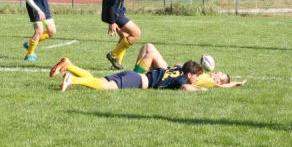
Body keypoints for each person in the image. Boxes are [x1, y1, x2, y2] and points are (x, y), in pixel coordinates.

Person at [101, 0, 149, 69]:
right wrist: (112, 22)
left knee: (124, 37)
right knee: (136, 34)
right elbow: (113, 3)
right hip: (115, 13)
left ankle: (116, 64)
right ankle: (113, 55)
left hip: (114, 11)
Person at [49, 58, 204, 91]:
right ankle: (72, 79)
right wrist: (200, 90)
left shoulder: (177, 69)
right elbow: (185, 88)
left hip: (132, 74)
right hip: (137, 80)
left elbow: (178, 64)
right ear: (189, 75)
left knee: (97, 80)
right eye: (196, 76)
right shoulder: (182, 79)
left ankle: (70, 66)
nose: (197, 80)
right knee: (104, 86)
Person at [131, 43, 247, 88]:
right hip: (173, 70)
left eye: (221, 76)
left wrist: (235, 83)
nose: (219, 72)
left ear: (219, 82)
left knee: (150, 54)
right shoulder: (205, 74)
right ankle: (136, 72)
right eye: (221, 72)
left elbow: (222, 87)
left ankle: (135, 77)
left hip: (169, 75)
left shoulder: (210, 82)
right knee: (148, 46)